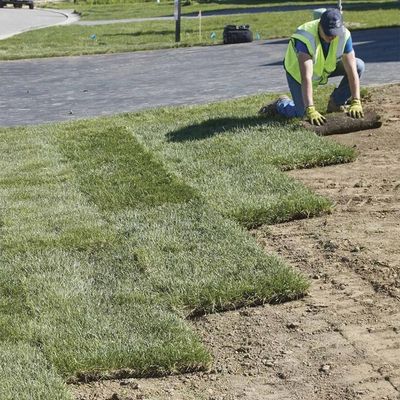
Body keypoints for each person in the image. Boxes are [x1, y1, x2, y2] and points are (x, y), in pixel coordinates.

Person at [261, 8, 365, 125]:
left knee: (358, 65)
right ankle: (281, 104)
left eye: (335, 32)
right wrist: (310, 108)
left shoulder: (344, 35)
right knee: (303, 113)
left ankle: (336, 102)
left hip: (324, 68)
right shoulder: (306, 37)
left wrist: (356, 101)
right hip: (298, 74)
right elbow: (306, 77)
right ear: (320, 26)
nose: (332, 37)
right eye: (329, 33)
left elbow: (352, 71)